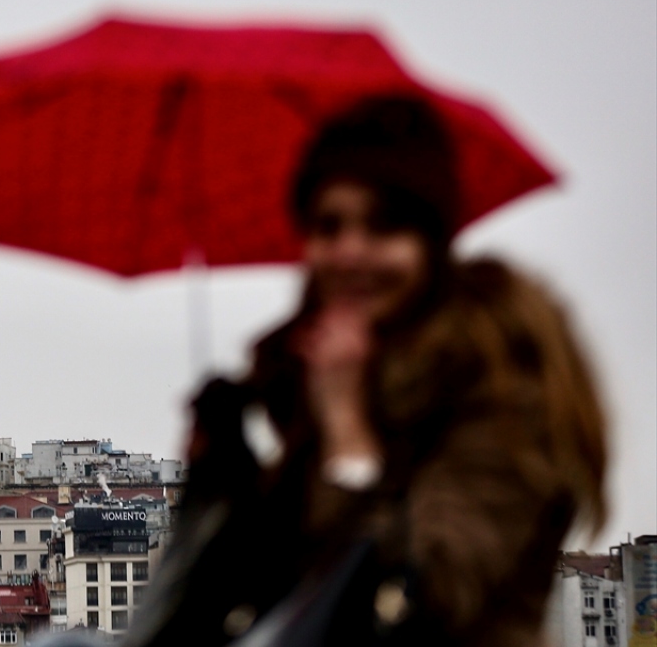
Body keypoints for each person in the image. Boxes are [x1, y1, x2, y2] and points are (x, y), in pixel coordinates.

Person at [119, 96, 609, 647]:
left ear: (431, 244)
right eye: (329, 227)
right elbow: (277, 580)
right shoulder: (306, 381)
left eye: (383, 226)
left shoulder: (504, 382)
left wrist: (347, 426)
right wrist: (223, 474)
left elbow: (424, 592)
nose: (351, 252)